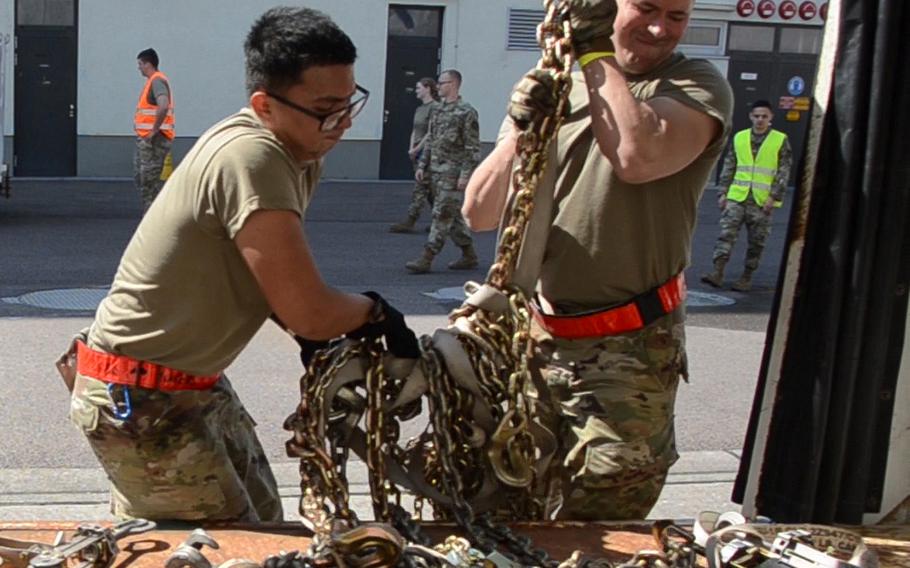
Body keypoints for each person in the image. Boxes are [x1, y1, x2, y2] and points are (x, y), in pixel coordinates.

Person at [64, 7, 419, 523]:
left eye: (349, 104)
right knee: (232, 549)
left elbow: (269, 276)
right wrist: (377, 314)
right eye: (326, 110)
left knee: (268, 529)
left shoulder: (299, 149)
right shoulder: (253, 158)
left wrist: (316, 332)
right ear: (264, 104)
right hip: (139, 395)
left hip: (187, 384)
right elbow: (310, 311)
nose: (341, 124)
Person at [463, 0, 733, 520]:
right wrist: (522, 129)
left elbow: (637, 156)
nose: (660, 28)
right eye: (646, 8)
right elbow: (478, 211)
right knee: (509, 515)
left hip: (627, 354)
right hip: (537, 344)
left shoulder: (694, 85)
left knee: (603, 521)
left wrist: (593, 52)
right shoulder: (558, 82)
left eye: (677, 16)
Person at [701, 100, 792, 291]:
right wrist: (723, 192)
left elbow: (783, 171)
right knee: (726, 234)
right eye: (757, 116)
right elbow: (729, 165)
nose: (760, 120)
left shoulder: (780, 140)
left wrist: (773, 197)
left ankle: (746, 277)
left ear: (771, 118)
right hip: (737, 196)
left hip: (761, 200)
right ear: (751, 116)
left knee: (756, 241)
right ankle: (717, 272)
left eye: (764, 116)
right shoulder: (740, 138)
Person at [405, 69, 481, 273]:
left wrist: (465, 176)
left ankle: (426, 257)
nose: (438, 87)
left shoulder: (467, 112)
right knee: (452, 215)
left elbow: (472, 148)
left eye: (442, 83)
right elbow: (431, 139)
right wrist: (422, 166)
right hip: (435, 170)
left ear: (454, 84)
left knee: (441, 214)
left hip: (453, 173)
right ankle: (469, 254)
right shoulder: (437, 110)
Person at [390, 77, 440, 233]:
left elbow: (431, 133)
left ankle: (410, 221)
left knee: (421, 188)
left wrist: (418, 148)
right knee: (430, 190)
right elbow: (415, 130)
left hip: (428, 153)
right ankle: (440, 222)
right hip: (416, 153)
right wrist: (411, 148)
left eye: (418, 88)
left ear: (427, 88)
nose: (416, 91)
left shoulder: (435, 108)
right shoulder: (419, 109)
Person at [134, 48, 175, 212]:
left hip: (154, 141)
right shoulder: (153, 81)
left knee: (149, 182)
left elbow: (163, 105)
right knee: (144, 180)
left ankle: (154, 219)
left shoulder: (157, 81)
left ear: (148, 64)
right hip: (150, 140)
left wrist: (154, 130)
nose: (139, 68)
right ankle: (154, 216)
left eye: (140, 64)